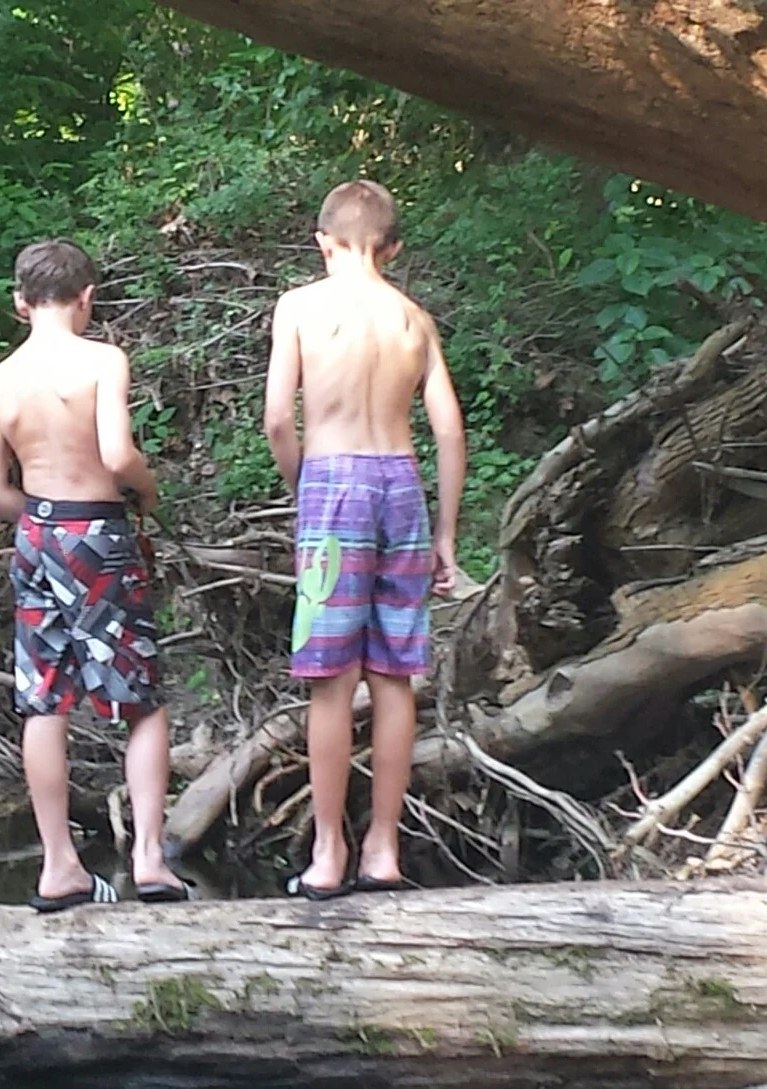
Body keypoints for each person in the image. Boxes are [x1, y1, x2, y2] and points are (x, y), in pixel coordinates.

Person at [262, 180, 466, 898]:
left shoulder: (300, 306)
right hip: (401, 485)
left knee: (329, 679)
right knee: (392, 674)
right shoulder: (414, 319)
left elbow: (276, 421)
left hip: (333, 481)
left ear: (322, 244)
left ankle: (327, 851)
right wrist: (444, 533)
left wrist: (303, 489)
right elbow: (446, 428)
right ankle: (383, 848)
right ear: (394, 248)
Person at [0, 238, 186, 913]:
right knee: (140, 696)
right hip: (97, 531)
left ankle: (59, 866)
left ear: (18, 303)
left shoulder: (0, 378)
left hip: (35, 532)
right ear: (87, 296)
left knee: (43, 698)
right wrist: (147, 495)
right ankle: (150, 859)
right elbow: (117, 453)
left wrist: (37, 517)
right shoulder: (101, 359)